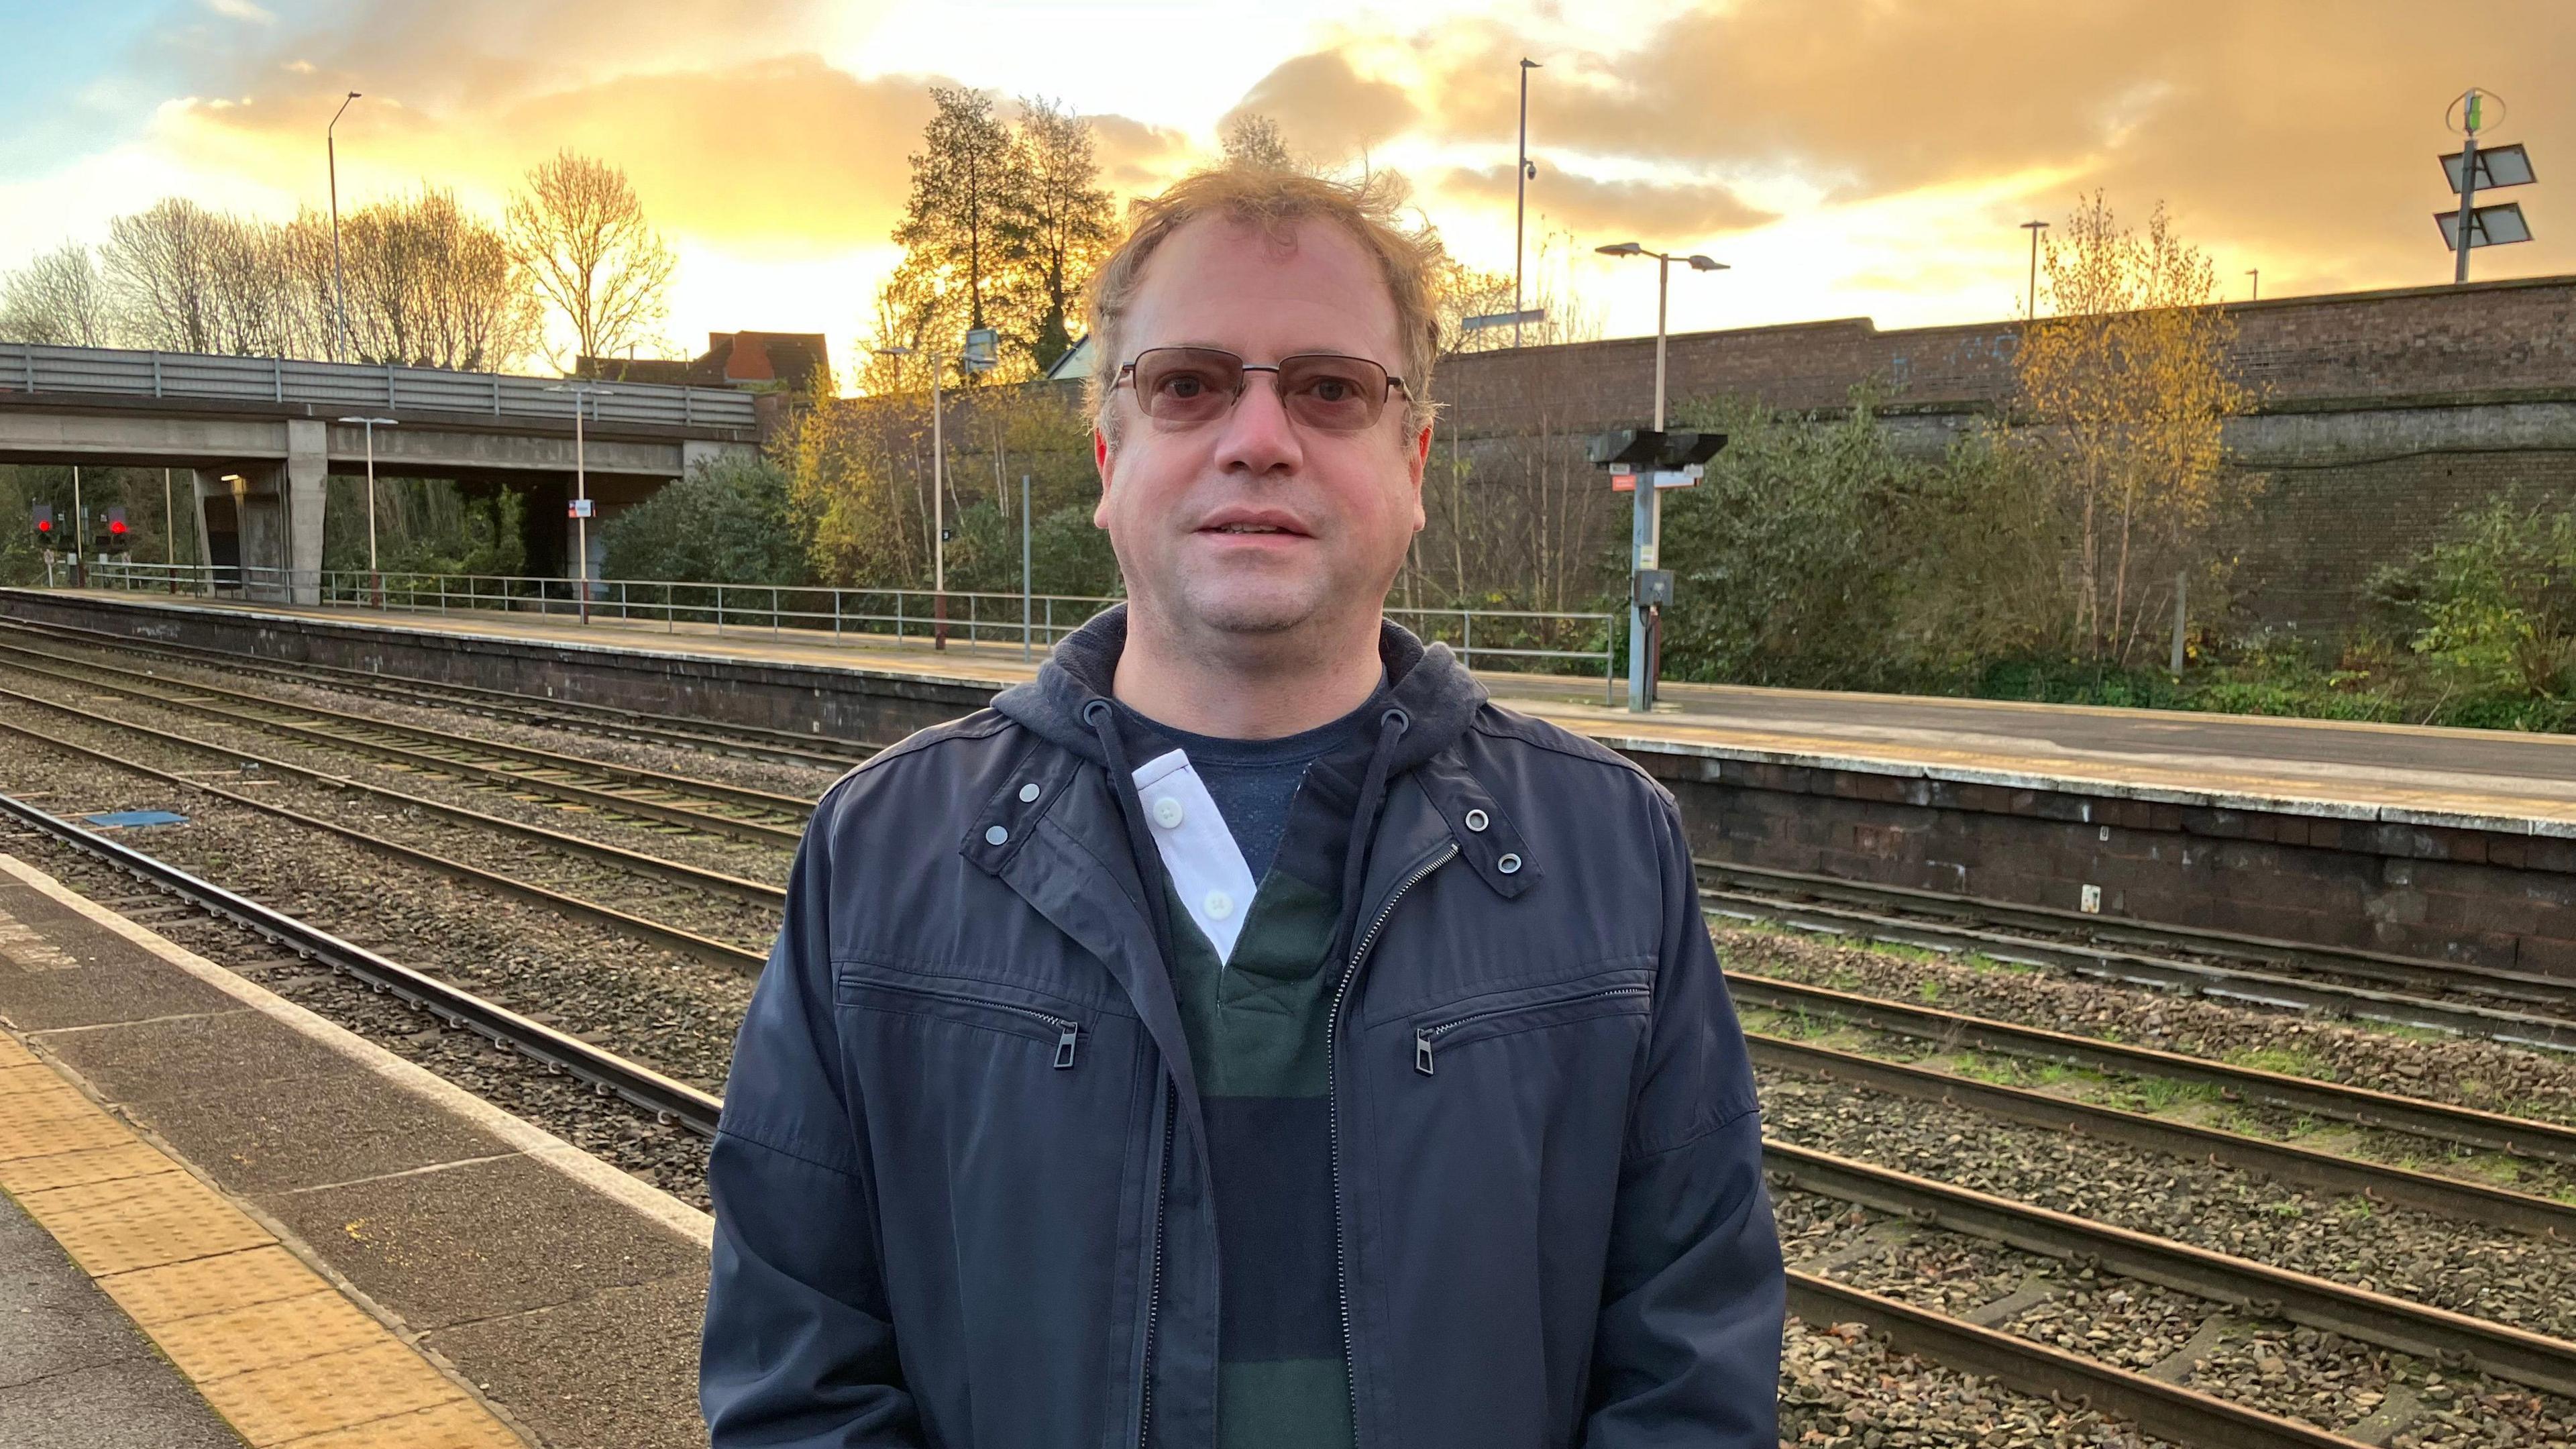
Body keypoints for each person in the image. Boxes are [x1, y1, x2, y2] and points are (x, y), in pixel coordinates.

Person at [700, 164, 1783, 1448]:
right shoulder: (883, 853)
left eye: (1331, 389)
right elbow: (798, 1368)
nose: (1259, 436)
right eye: (1189, 384)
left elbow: (1688, 1363)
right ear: (1111, 454)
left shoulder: (1608, 851)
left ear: (1414, 459)